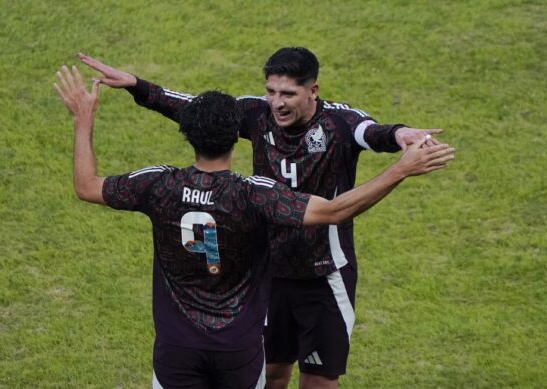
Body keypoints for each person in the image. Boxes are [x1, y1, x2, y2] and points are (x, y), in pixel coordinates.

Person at [76, 47, 452, 388]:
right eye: (271, 91)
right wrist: (137, 86)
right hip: (267, 274)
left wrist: (402, 133)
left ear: (313, 91)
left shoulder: (339, 123)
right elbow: (197, 110)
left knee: (320, 381)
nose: (276, 102)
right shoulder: (255, 114)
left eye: (287, 93)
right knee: (271, 373)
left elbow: (374, 133)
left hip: (323, 274)